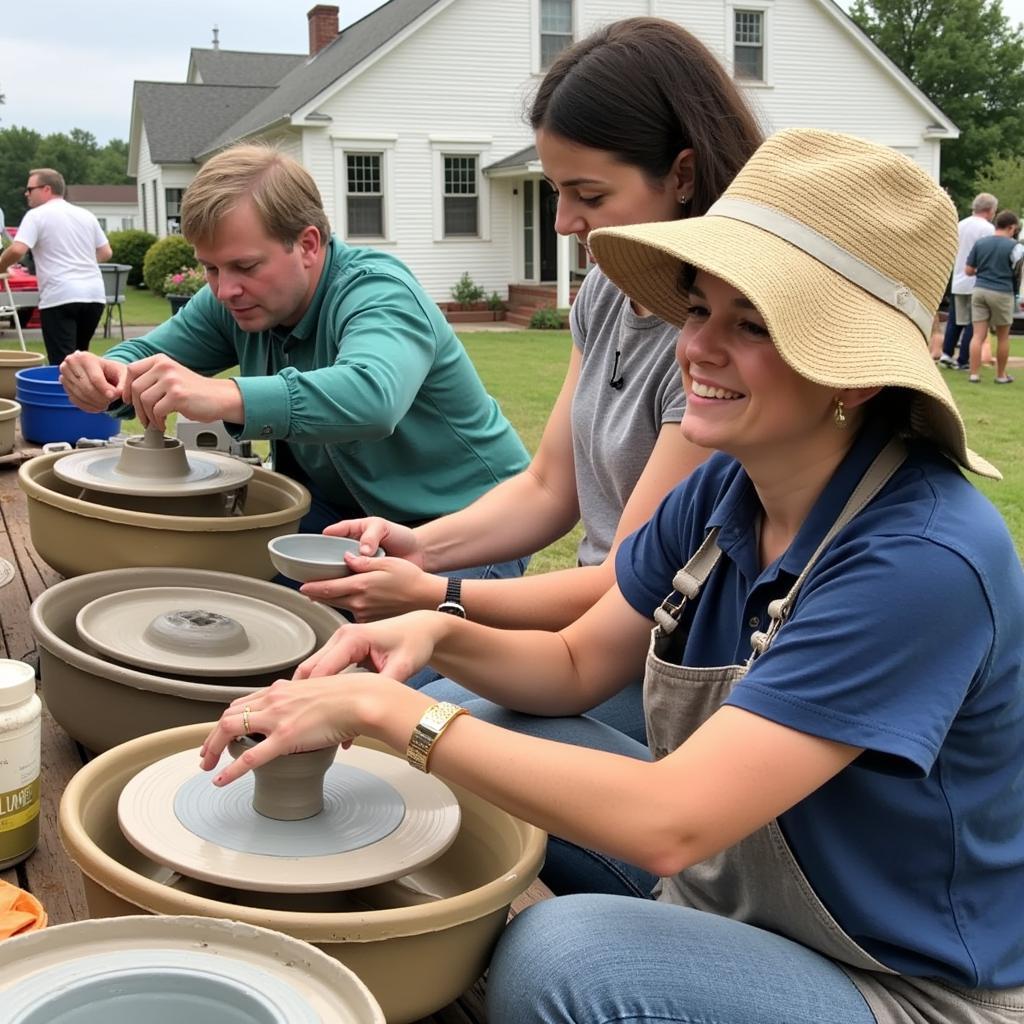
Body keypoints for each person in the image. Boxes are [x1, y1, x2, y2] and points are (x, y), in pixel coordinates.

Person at [202, 129, 1023, 1024]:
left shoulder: (920, 561)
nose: (699, 349)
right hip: (740, 889)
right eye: (700, 310)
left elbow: (670, 821)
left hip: (901, 979)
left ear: (853, 376)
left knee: (565, 957)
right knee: (495, 719)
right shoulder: (728, 484)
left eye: (752, 324)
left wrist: (387, 709)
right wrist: (439, 627)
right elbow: (574, 667)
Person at [300, 18, 762, 721]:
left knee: (410, 732)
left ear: (684, 174)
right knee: (378, 692)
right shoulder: (609, 288)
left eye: (591, 195)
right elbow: (551, 486)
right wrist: (420, 547)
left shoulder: (715, 344)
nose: (563, 221)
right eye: (555, 191)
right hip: (589, 627)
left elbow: (628, 578)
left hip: (667, 645)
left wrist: (437, 595)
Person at [60, 145, 530, 586]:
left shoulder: (378, 292)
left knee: (395, 671)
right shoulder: (231, 301)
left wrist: (224, 395)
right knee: (219, 598)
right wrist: (108, 374)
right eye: (211, 268)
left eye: (245, 266)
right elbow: (144, 356)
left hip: (467, 524)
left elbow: (372, 397)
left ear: (308, 244)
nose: (225, 290)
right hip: (335, 517)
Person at [0, 169, 111, 365]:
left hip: (60, 296)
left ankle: (63, 396)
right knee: (80, 361)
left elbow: (18, 250)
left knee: (62, 367)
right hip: (94, 296)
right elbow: (106, 252)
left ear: (46, 189)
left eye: (29, 189)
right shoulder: (85, 215)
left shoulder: (36, 215)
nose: (26, 193)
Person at [938, 192, 997, 371]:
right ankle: (963, 359)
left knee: (955, 320)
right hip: (976, 281)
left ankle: (946, 354)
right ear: (990, 210)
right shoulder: (987, 229)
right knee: (975, 323)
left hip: (958, 279)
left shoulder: (960, 225)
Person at [965, 208, 1022, 384]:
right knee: (1003, 336)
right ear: (1011, 228)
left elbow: (969, 270)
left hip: (980, 289)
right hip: (1002, 291)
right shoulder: (1015, 246)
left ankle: (974, 374)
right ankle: (1000, 375)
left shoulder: (981, 243)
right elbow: (1017, 272)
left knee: (977, 335)